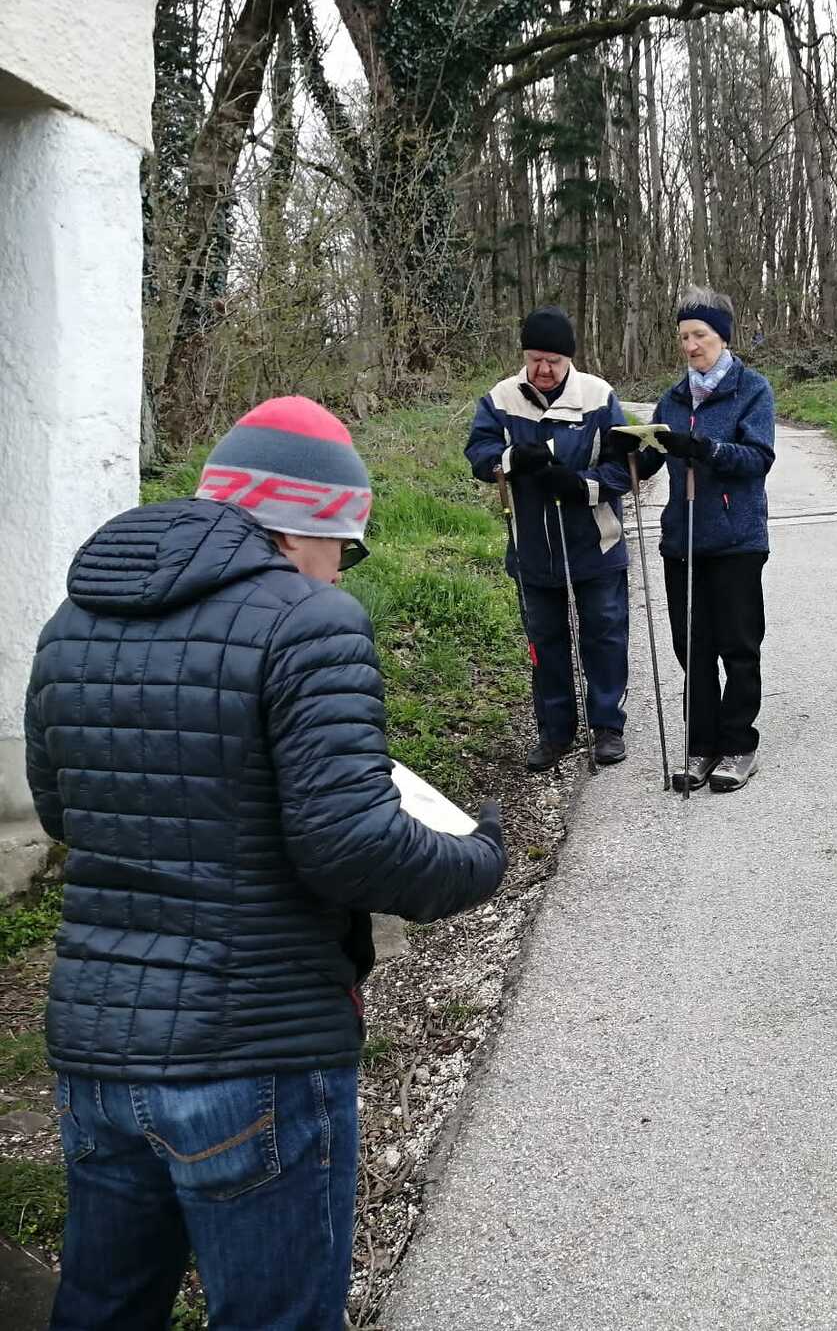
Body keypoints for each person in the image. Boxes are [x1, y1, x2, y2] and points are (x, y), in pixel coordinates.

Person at [23, 396, 507, 1330]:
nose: (342, 568)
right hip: (254, 1050)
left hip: (95, 1053)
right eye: (346, 547)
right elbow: (352, 846)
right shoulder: (309, 619)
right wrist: (477, 860)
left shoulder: (72, 620)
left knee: (104, 1310)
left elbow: (63, 810)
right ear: (301, 528)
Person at [467, 304, 634, 771]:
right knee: (545, 642)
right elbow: (478, 454)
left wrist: (583, 486)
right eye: (535, 359)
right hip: (533, 548)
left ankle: (608, 727)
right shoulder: (501, 399)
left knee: (604, 635)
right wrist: (511, 458)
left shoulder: (598, 396)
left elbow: (624, 467)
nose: (543, 369)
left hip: (596, 544)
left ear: (569, 359)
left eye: (553, 361)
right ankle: (555, 732)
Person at [623, 285, 776, 793]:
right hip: (683, 541)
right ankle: (702, 744)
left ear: (722, 337)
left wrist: (706, 448)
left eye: (700, 335)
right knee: (692, 648)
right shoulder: (672, 398)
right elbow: (649, 459)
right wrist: (624, 451)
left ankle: (738, 744)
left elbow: (758, 459)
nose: (690, 345)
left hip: (736, 541)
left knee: (738, 645)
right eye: (684, 336)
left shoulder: (752, 390)